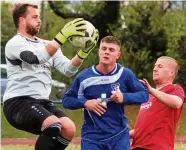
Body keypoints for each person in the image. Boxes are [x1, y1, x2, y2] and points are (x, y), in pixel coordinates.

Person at [3, 3, 98, 150]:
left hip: (42, 102)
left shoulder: (47, 45)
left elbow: (68, 70)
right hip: (18, 102)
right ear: (22, 20)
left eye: (39, 17)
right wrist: (62, 36)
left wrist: (83, 52)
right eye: (34, 17)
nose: (39, 20)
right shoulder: (15, 43)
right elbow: (37, 58)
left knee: (69, 129)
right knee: (53, 124)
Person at [62, 36, 149, 150]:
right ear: (99, 52)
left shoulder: (125, 74)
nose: (106, 52)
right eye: (104, 48)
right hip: (92, 137)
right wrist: (86, 103)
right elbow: (66, 100)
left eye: (111, 50)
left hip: (118, 135)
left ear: (118, 55)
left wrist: (125, 96)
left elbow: (144, 94)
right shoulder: (84, 77)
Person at [130, 56, 185, 150]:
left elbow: (177, 103)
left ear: (171, 72)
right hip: (137, 146)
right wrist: (124, 134)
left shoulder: (174, 88)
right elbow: (144, 128)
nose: (155, 69)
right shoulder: (148, 96)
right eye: (155, 66)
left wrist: (151, 90)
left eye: (160, 66)